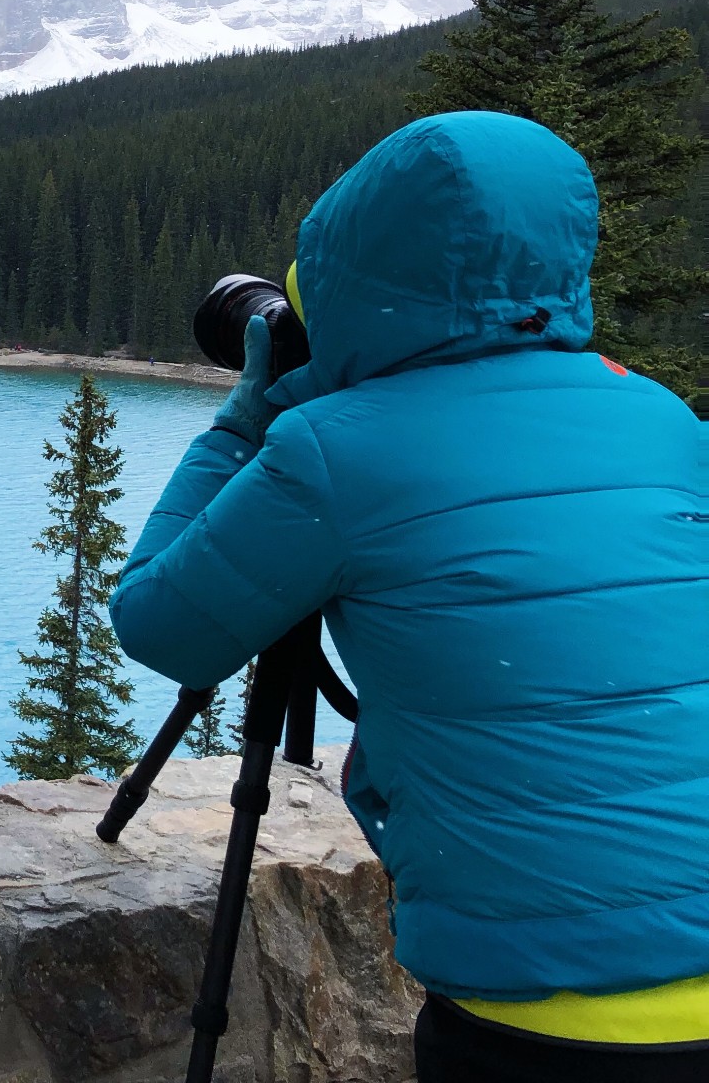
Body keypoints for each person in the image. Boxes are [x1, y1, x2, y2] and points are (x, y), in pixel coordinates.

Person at [110, 111, 709, 1082]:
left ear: (348, 285)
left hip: (544, 1015)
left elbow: (156, 623)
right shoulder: (657, 414)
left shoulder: (334, 450)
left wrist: (243, 421)